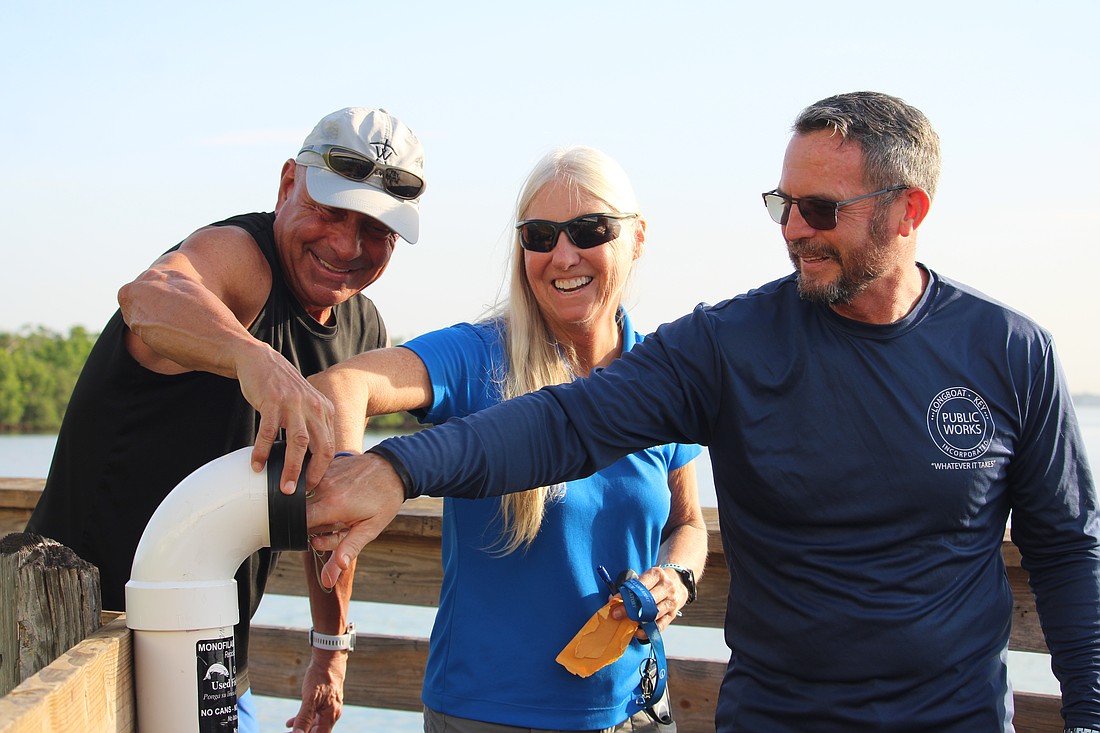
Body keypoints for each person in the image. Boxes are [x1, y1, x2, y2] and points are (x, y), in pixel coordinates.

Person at [304, 92, 1100, 732]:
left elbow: (1067, 552)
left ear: (908, 211)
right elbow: (567, 423)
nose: (792, 231)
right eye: (782, 205)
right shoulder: (726, 345)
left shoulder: (1010, 352)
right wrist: (398, 465)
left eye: (819, 211)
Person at [25, 106, 427, 733]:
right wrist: (252, 357)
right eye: (330, 210)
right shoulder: (239, 258)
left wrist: (330, 649)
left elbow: (332, 508)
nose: (348, 246)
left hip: (214, 666)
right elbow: (147, 297)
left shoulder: (360, 328)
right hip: (81, 648)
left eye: (377, 229)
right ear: (288, 184)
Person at [308, 145, 706, 732]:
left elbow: (688, 524)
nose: (562, 254)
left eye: (588, 230)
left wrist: (678, 580)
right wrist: (352, 475)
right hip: (487, 714)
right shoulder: (477, 355)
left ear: (637, 237)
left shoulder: (660, 374)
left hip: (638, 711)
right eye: (539, 235)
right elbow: (345, 384)